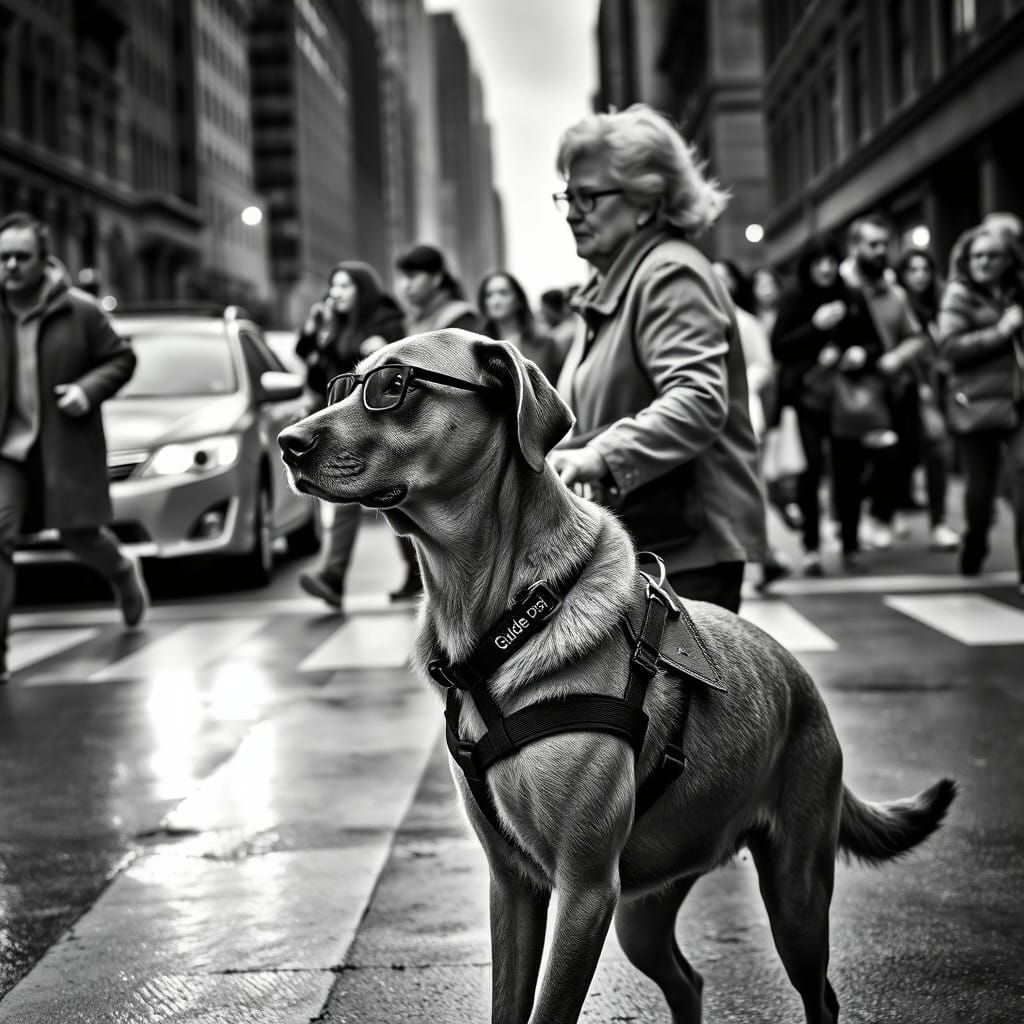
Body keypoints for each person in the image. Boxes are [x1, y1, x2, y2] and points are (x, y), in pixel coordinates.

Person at [548, 104, 766, 613]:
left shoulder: (668, 273)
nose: (574, 211)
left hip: (685, 549)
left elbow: (697, 401)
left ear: (646, 202)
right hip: (649, 540)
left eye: (590, 196)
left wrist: (599, 455)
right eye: (568, 196)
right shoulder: (614, 283)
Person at [0, 211, 147, 684]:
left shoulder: (79, 310)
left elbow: (121, 359)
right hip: (8, 451)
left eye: (21, 257)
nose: (11, 266)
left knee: (77, 536)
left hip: (61, 442)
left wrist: (87, 389)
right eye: (2, 258)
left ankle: (122, 572)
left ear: (44, 261)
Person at [771, 233, 889, 574]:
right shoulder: (795, 298)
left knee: (848, 470)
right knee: (809, 471)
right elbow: (779, 346)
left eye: (830, 261)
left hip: (844, 398)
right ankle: (811, 548)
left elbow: (874, 343)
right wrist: (815, 327)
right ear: (808, 266)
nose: (825, 268)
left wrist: (859, 354)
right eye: (818, 262)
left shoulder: (851, 296)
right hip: (807, 398)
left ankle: (850, 545)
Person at [295, 260, 410, 609]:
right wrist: (315, 333)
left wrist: (381, 347)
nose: (336, 293)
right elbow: (318, 379)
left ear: (362, 290)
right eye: (333, 286)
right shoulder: (336, 327)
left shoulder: (385, 323)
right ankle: (333, 576)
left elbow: (400, 375)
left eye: (345, 286)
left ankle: (335, 575)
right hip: (342, 428)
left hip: (380, 427)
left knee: (393, 498)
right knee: (365, 495)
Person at [937, 225, 1024, 591]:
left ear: (1009, 260)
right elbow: (950, 347)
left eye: (993, 256)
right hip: (978, 405)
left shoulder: (1016, 293)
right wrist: (1002, 331)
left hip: (1018, 402)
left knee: (1022, 478)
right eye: (978, 256)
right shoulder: (959, 295)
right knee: (980, 489)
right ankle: (975, 542)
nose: (984, 262)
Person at [841, 214, 928, 552]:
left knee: (899, 455)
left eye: (884, 244)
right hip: (852, 391)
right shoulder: (840, 287)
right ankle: (850, 523)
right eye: (872, 244)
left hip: (891, 389)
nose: (880, 251)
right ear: (855, 247)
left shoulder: (895, 293)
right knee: (851, 463)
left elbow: (916, 337)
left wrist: (897, 358)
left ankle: (881, 514)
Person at [711, 259, 792, 591]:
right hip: (714, 418)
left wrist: (735, 384)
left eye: (724, 277)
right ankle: (765, 556)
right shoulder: (701, 318)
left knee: (748, 488)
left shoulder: (745, 322)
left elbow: (763, 366)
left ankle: (766, 555)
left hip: (742, 416)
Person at [894, 247, 960, 552]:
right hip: (907, 390)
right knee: (904, 454)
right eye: (913, 269)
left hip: (942, 389)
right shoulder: (897, 304)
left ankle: (938, 522)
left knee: (937, 452)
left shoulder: (942, 304)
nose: (920, 276)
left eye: (925, 269)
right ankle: (888, 510)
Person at [477, 270, 562, 383]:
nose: (496, 301)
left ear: (519, 300)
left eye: (503, 293)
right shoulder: (477, 347)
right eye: (489, 295)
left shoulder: (545, 342)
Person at [393, 243, 483, 335]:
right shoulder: (409, 321)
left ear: (436, 278)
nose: (404, 285)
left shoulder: (461, 319)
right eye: (400, 277)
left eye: (412, 276)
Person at [538, 287, 579, 369]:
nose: (541, 313)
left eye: (543, 308)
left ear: (550, 308)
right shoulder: (574, 325)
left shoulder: (560, 336)